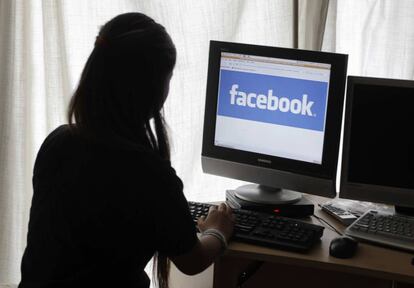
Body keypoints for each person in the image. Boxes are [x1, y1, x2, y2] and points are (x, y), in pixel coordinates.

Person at [19, 12, 234, 288]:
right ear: (153, 90)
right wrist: (218, 231)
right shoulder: (150, 174)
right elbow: (192, 261)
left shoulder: (57, 143)